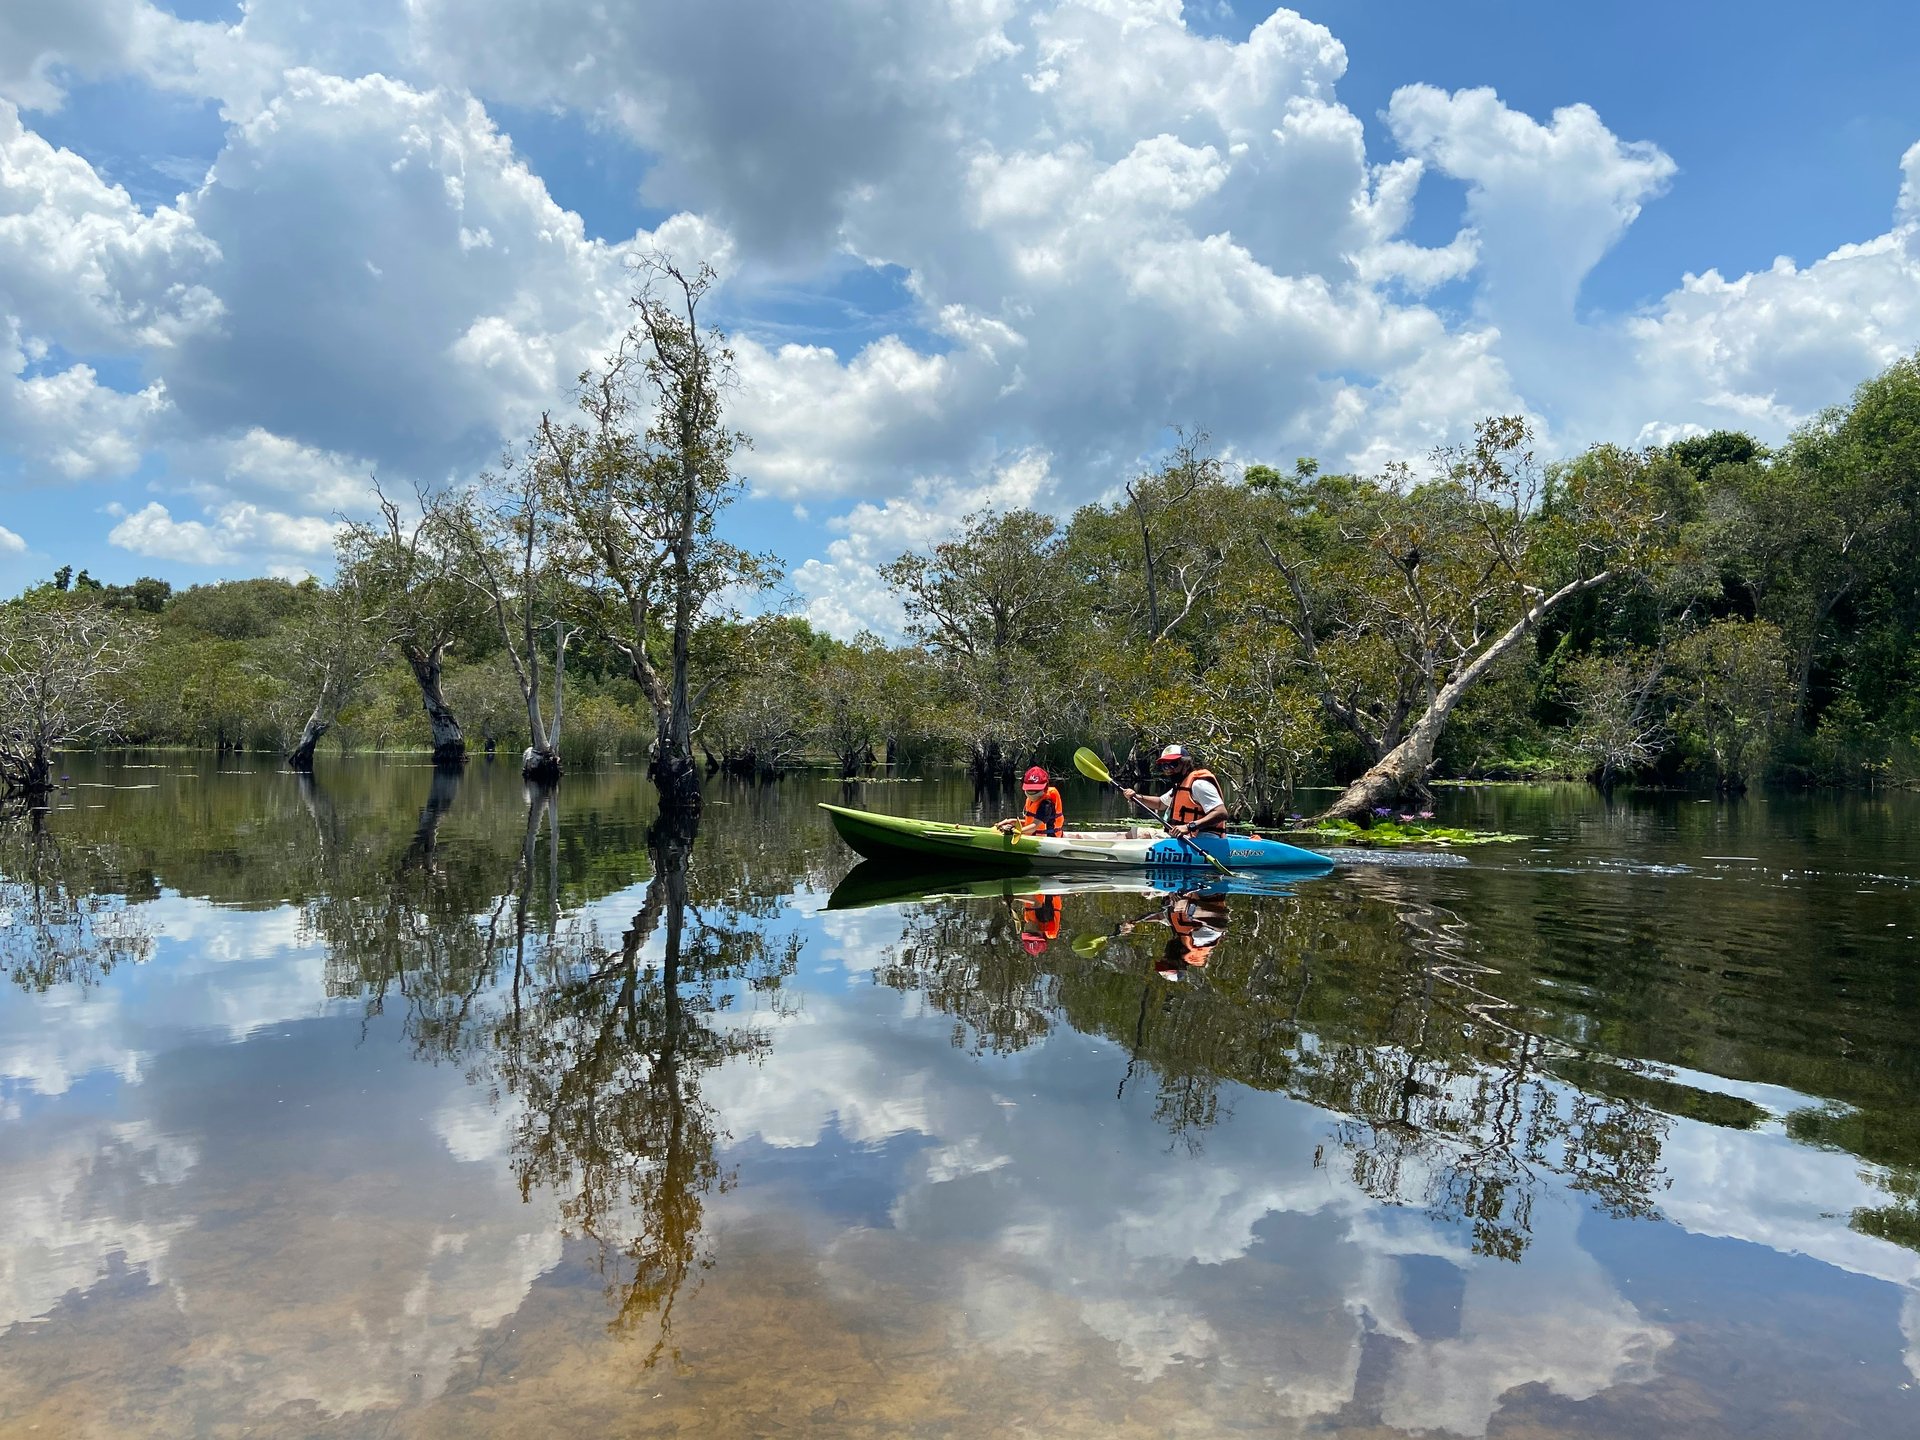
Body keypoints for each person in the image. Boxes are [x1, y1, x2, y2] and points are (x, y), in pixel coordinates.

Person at [1122, 743, 1228, 839]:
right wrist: (1137, 797)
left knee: (1140, 834)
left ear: (1186, 764)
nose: (1168, 769)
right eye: (1165, 765)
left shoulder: (1199, 785)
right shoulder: (1180, 785)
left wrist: (1189, 826)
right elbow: (1160, 803)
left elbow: (1221, 813)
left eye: (1173, 764)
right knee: (1133, 832)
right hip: (1185, 836)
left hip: (1204, 838)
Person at [996, 766, 1065, 836]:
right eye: (1029, 789)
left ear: (1045, 788)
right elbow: (1029, 824)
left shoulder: (1046, 804)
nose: (1032, 792)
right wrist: (1011, 822)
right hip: (1036, 834)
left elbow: (1035, 826)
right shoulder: (1031, 801)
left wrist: (1014, 831)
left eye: (1035, 790)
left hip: (1051, 839)